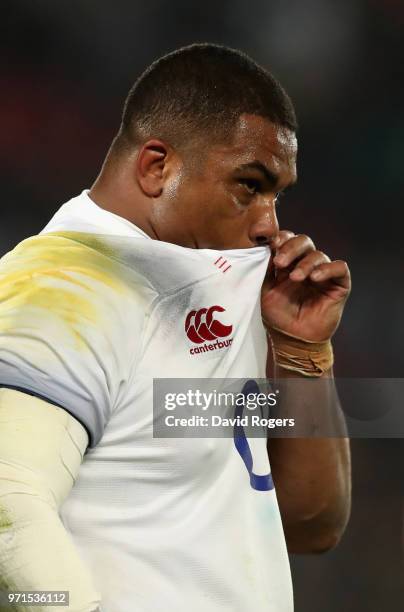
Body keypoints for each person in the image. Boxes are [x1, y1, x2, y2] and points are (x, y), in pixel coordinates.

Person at [0, 43, 351, 612]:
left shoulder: (233, 279)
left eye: (277, 193)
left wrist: (303, 353)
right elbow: (7, 512)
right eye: (250, 185)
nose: (271, 224)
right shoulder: (59, 289)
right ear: (156, 167)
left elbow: (312, 526)